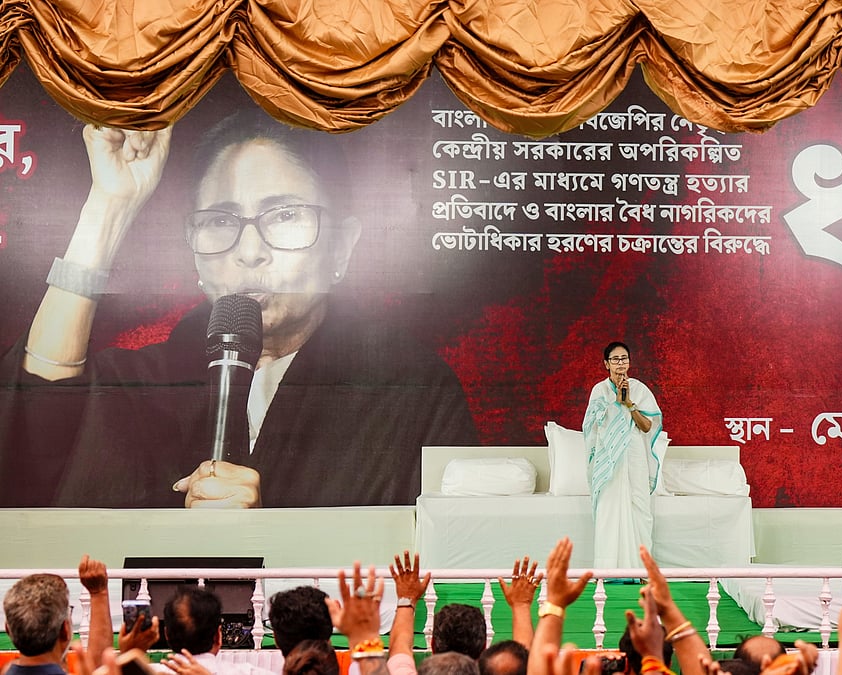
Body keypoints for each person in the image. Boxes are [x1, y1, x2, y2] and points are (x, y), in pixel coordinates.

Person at [0, 107, 478, 508]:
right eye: (220, 220)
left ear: (342, 247)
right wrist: (110, 205)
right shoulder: (142, 384)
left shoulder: (411, 391)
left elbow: (446, 560)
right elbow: (34, 433)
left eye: (285, 216)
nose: (249, 251)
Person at [582, 342, 663, 568]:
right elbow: (592, 428)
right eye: (615, 359)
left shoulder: (639, 389)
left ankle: (640, 569)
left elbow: (647, 427)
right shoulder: (599, 391)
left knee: (639, 507)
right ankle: (609, 570)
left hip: (634, 455)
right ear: (606, 364)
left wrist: (628, 404)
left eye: (624, 358)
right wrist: (614, 404)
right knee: (610, 509)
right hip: (608, 459)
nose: (621, 364)